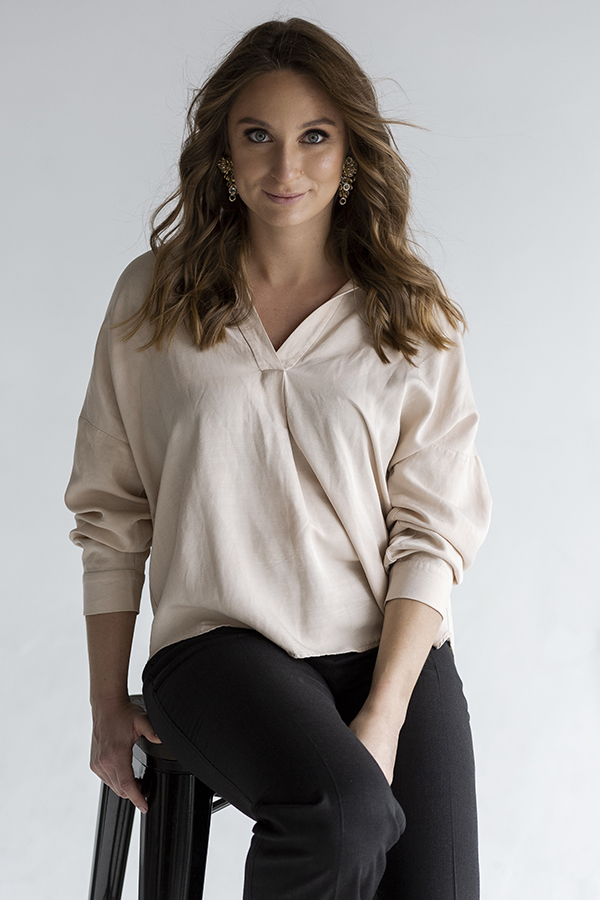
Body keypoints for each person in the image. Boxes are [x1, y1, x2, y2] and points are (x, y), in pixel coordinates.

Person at [65, 18, 492, 900]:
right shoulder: (155, 300)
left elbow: (434, 531)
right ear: (224, 151)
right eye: (258, 135)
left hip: (387, 648)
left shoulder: (410, 313)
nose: (285, 167)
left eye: (315, 137)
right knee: (342, 818)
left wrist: (385, 715)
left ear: (351, 152)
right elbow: (112, 511)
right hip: (218, 650)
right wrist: (106, 705)